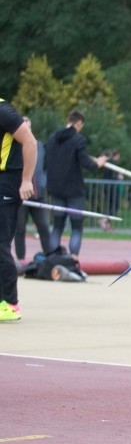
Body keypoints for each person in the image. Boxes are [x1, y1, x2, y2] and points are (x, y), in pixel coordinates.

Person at [44, 110, 107, 258]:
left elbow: (46, 161)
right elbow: (86, 163)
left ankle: (52, 258)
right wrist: (99, 163)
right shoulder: (78, 140)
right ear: (78, 123)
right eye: (81, 126)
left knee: (57, 227)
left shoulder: (52, 139)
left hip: (56, 189)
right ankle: (74, 259)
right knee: (77, 228)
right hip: (74, 191)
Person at [0, 99, 37, 322]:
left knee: (0, 243)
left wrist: (26, 181)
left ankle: (11, 303)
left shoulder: (3, 110)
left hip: (8, 182)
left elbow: (30, 142)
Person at [14, 116, 52, 261]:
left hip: (38, 193)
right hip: (21, 195)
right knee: (19, 228)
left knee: (43, 226)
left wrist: (45, 183)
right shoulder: (14, 148)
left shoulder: (40, 146)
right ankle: (20, 259)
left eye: (29, 127)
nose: (27, 130)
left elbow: (45, 167)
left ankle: (50, 256)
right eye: (24, 127)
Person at [100, 149, 123, 231]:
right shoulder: (113, 164)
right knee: (114, 205)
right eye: (118, 156)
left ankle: (106, 223)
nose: (119, 158)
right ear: (116, 155)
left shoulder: (107, 163)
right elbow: (113, 176)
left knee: (110, 205)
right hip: (111, 187)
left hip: (107, 186)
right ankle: (104, 220)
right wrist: (118, 177)